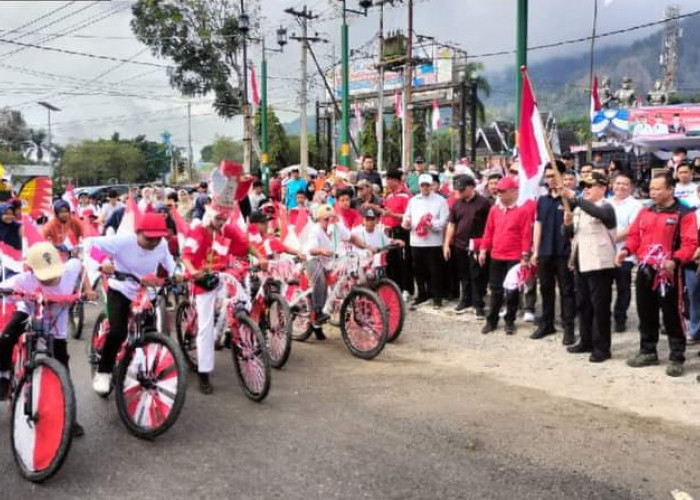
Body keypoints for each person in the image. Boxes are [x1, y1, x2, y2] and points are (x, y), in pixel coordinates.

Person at [0, 242, 96, 437]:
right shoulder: (23, 280)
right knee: (5, 340)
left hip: (56, 329)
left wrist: (88, 289)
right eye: (45, 275)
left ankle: (69, 416)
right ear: (32, 271)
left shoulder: (69, 270)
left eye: (54, 272)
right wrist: (10, 293)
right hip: (28, 315)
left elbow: (80, 265)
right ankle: (4, 376)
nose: (52, 278)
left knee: (64, 372)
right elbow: (5, 288)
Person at [85, 213, 178, 395]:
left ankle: (145, 369)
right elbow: (89, 244)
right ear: (138, 232)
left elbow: (170, 263)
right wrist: (103, 262)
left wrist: (177, 273)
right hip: (120, 289)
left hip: (146, 293)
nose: (153, 242)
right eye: (149, 238)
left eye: (157, 238)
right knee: (118, 331)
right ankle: (103, 371)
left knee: (150, 333)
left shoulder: (162, 245)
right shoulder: (123, 241)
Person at [617, 171, 698, 377]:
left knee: (672, 314)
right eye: (651, 189)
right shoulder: (646, 210)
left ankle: (676, 357)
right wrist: (626, 250)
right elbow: (635, 235)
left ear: (670, 190)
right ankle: (648, 351)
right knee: (645, 312)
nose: (652, 192)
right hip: (645, 269)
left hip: (670, 273)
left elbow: (690, 243)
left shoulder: (684, 212)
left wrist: (675, 260)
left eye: (657, 189)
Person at [181, 202, 257, 394]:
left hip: (222, 275)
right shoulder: (198, 230)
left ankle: (236, 332)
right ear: (210, 216)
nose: (221, 221)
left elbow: (245, 245)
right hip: (202, 279)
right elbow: (187, 255)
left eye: (224, 218)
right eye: (218, 218)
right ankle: (204, 372)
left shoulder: (227, 229)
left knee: (243, 301)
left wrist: (262, 257)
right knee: (206, 327)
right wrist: (193, 271)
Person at [560, 172, 617, 362]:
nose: (586, 189)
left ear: (603, 188)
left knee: (599, 307)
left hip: (600, 264)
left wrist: (574, 198)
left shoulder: (607, 207)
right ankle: (586, 340)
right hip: (581, 262)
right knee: (583, 305)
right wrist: (567, 224)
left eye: (590, 186)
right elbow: (569, 233)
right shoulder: (580, 209)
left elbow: (599, 215)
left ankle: (602, 347)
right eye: (584, 186)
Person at [303, 204, 368, 338]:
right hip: (314, 259)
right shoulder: (315, 230)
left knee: (347, 272)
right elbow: (311, 249)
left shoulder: (338, 227)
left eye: (331, 218)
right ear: (319, 219)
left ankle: (341, 303)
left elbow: (352, 238)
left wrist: (367, 247)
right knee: (320, 280)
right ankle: (319, 311)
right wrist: (321, 251)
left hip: (331, 260)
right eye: (326, 219)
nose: (329, 221)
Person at [478, 177, 532, 335]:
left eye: (503, 191)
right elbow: (488, 231)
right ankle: (492, 320)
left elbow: (526, 235)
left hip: (514, 258)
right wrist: (483, 249)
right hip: (496, 255)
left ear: (514, 192)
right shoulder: (494, 210)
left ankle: (510, 320)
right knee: (495, 290)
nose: (499, 193)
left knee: (512, 291)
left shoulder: (522, 211)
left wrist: (524, 256)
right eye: (498, 191)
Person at [530, 164, 576, 344]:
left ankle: (569, 327)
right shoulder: (542, 200)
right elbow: (538, 225)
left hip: (564, 252)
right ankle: (546, 323)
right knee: (546, 289)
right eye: (547, 176)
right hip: (545, 252)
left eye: (553, 175)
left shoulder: (570, 199)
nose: (550, 179)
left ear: (562, 175)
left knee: (566, 291)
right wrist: (536, 250)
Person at [443, 175, 491, 316]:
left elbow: (489, 225)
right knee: (463, 274)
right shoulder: (457, 204)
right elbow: (451, 224)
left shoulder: (484, 203)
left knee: (477, 275)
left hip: (476, 244)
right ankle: (465, 299)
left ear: (471, 187)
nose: (460, 192)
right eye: (458, 190)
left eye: (462, 189)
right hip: (459, 244)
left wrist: (484, 245)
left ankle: (478, 303)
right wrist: (446, 244)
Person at [402, 173, 449, 310]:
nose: (425, 188)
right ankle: (422, 293)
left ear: (432, 185)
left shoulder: (440, 201)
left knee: (435, 271)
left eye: (427, 185)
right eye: (423, 185)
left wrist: (432, 225)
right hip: (416, 241)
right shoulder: (413, 200)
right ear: (419, 186)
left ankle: (437, 297)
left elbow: (443, 222)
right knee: (419, 270)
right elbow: (407, 217)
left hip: (433, 242)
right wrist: (406, 223)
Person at [607, 173, 643, 332]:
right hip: (605, 253)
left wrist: (610, 239)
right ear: (612, 185)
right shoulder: (605, 203)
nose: (620, 187)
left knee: (623, 288)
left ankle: (620, 317)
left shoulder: (636, 205)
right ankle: (603, 316)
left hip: (625, 253)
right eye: (617, 183)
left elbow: (631, 229)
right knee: (603, 288)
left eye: (625, 184)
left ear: (631, 187)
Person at [382, 170, 413, 300]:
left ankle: (407, 289)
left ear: (395, 180)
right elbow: (386, 213)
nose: (386, 182)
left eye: (388, 179)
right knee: (392, 261)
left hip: (402, 231)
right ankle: (396, 288)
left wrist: (392, 215)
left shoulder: (406, 196)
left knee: (404, 261)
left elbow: (408, 216)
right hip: (390, 232)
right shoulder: (388, 196)